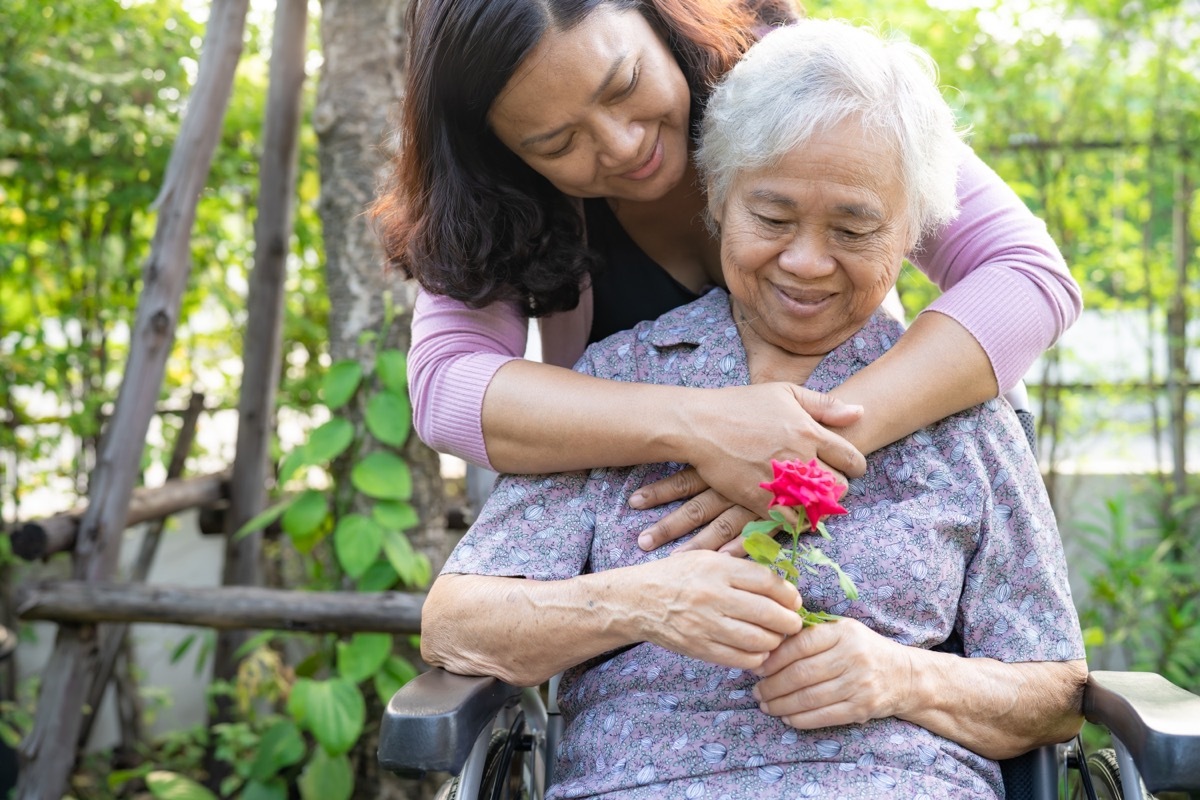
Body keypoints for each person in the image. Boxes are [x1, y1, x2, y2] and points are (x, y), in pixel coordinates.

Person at [420, 19, 1087, 798]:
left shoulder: (963, 409)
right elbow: (456, 614)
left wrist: (905, 677)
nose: (805, 261)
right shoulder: (613, 380)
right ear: (721, 198)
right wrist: (642, 600)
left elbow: (1055, 690)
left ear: (912, 231)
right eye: (772, 220)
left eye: (852, 227)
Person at [370, 0, 1082, 549]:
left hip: (871, 522)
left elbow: (1026, 274)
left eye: (625, 85)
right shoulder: (498, 201)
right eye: (556, 142)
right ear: (503, 153)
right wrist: (702, 426)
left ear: (660, 16)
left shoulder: (801, 86)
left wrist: (809, 453)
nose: (620, 145)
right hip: (660, 567)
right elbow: (448, 387)